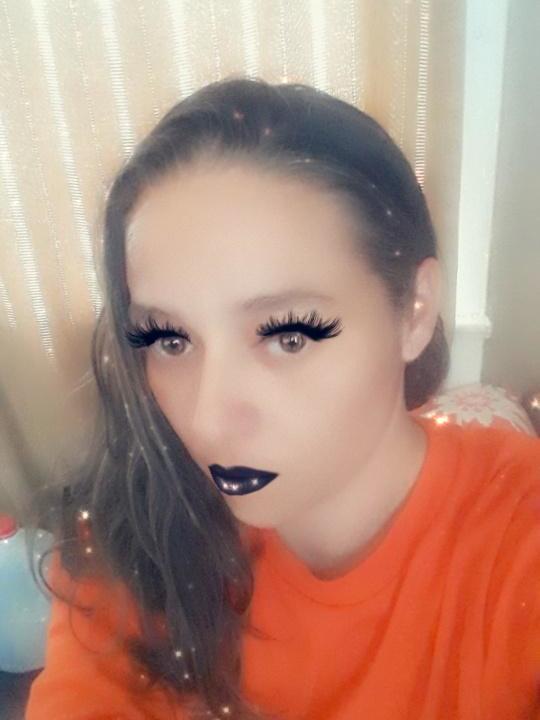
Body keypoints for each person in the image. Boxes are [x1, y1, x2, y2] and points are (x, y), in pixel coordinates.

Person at [25, 76, 540, 720]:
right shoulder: (135, 530)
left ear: (413, 310)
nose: (209, 419)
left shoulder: (518, 545)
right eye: (171, 340)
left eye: (287, 337)